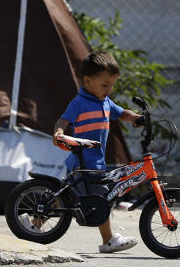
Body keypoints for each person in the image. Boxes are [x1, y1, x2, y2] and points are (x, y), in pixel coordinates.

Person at [54, 49, 142, 254]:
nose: (109, 89)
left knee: (65, 199)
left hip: (95, 163)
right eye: (105, 85)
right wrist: (59, 132)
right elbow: (63, 120)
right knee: (101, 200)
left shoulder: (105, 102)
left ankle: (35, 224)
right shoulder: (79, 103)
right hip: (83, 164)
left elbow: (122, 113)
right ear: (87, 81)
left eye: (112, 85)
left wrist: (136, 117)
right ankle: (108, 239)